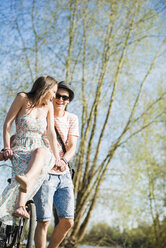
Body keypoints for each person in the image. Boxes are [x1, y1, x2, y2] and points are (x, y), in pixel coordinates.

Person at [0, 75, 62, 225]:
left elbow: (51, 133)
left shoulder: (48, 106)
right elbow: (7, 124)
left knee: (40, 152)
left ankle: (26, 179)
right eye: (53, 92)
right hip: (21, 146)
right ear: (45, 88)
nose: (55, 96)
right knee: (20, 176)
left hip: (39, 147)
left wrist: (57, 157)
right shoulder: (22, 98)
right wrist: (7, 147)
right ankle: (20, 207)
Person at [34, 81, 79, 248]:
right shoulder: (42, 114)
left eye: (64, 97)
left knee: (68, 221)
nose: (60, 99)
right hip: (45, 174)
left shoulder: (72, 119)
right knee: (43, 220)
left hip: (64, 175)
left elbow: (72, 145)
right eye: (57, 95)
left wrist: (64, 160)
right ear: (52, 97)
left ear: (68, 100)